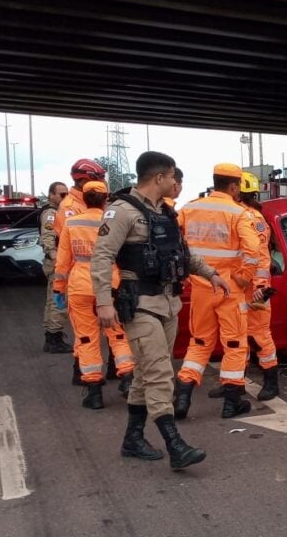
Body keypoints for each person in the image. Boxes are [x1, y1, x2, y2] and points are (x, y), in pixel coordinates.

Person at [92, 151, 227, 470]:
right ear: (158, 179)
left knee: (145, 374)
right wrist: (103, 301)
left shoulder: (167, 213)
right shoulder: (122, 212)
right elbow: (101, 258)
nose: (175, 182)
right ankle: (175, 444)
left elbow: (184, 255)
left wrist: (212, 274)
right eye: (172, 177)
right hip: (138, 305)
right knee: (160, 375)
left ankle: (133, 439)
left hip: (167, 302)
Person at [172, 163, 260, 421]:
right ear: (233, 186)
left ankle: (183, 397)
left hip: (201, 288)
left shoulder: (189, 208)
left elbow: (174, 241)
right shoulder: (238, 213)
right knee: (234, 344)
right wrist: (243, 278)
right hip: (229, 289)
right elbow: (253, 251)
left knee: (199, 342)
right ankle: (231, 403)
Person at [53, 181, 136, 409]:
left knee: (87, 338)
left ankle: (94, 391)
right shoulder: (113, 221)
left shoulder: (71, 223)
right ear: (105, 198)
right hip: (111, 284)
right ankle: (128, 379)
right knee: (118, 334)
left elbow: (62, 262)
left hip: (80, 285)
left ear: (84, 198)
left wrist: (58, 288)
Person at [208, 172, 279, 401]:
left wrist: (259, 285)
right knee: (237, 335)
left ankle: (271, 382)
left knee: (259, 335)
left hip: (253, 286)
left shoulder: (252, 218)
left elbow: (260, 256)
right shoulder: (240, 214)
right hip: (239, 286)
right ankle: (234, 382)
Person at [58, 159, 107, 384]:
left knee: (93, 331)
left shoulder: (84, 204)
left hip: (84, 278)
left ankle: (96, 375)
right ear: (85, 179)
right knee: (89, 332)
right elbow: (66, 249)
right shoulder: (70, 207)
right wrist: (60, 285)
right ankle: (82, 372)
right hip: (87, 275)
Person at [40, 182, 73, 354]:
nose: (65, 197)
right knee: (58, 301)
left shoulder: (60, 212)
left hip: (59, 262)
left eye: (67, 194)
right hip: (57, 264)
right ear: (51, 195)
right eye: (61, 194)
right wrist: (57, 258)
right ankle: (54, 338)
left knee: (54, 301)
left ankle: (52, 334)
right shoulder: (51, 214)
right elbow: (47, 238)